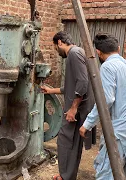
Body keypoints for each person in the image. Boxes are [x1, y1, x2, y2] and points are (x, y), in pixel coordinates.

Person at [79, 33, 126, 180]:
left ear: (98, 52)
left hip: (120, 132)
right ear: (118, 48)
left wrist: (87, 124)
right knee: (122, 175)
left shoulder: (108, 67)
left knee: (106, 174)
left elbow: (106, 100)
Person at [41, 31, 96, 180]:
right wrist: (51, 90)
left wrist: (73, 108)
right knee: (73, 145)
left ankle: (65, 176)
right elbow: (72, 86)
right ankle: (67, 175)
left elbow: (83, 83)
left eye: (55, 47)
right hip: (79, 108)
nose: (56, 51)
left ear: (59, 42)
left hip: (76, 110)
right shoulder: (78, 52)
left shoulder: (73, 54)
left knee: (65, 142)